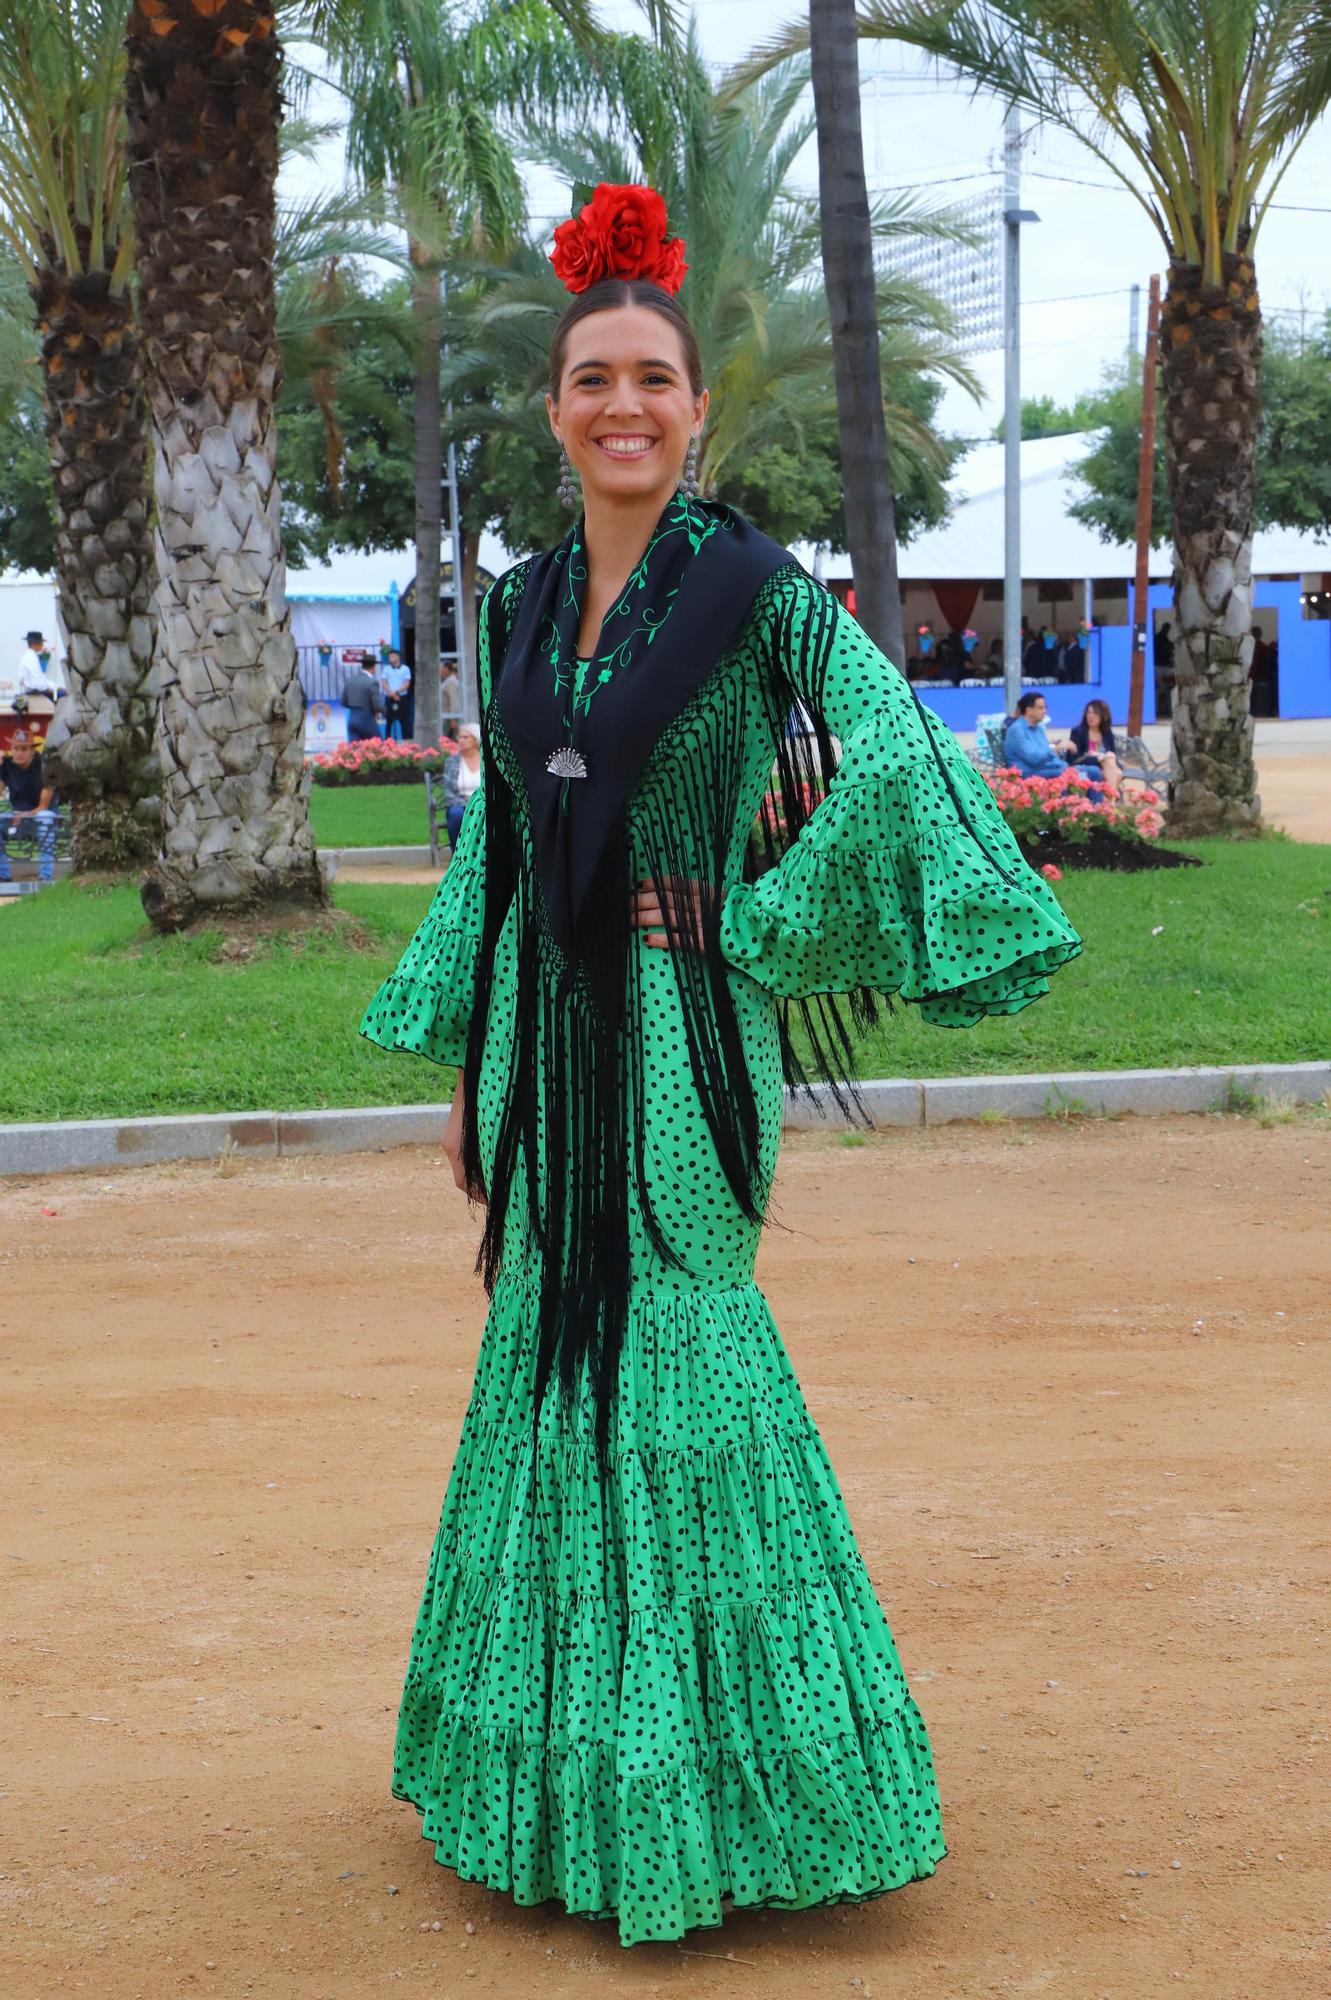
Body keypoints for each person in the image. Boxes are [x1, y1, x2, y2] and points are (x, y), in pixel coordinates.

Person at [358, 181, 1082, 1948]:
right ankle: (561, 1776)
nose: (622, 406)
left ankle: (740, 1775)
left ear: (695, 411)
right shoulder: (525, 605)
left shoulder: (758, 598)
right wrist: (469, 1056)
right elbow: (502, 848)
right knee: (548, 1356)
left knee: (683, 1357)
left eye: (652, 382)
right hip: (544, 1046)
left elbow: (906, 762)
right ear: (554, 410)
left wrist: (764, 923)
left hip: (689, 1047)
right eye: (592, 379)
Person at [1002, 691, 1105, 800]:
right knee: (1062, 775)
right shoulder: (1017, 730)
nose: (1045, 711)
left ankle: (1095, 811)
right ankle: (1066, 812)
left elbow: (1048, 755)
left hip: (1048, 769)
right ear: (1029, 710)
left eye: (1045, 707)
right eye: (1041, 708)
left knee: (1094, 771)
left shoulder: (1039, 729)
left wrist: (1065, 766)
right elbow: (1033, 759)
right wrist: (1056, 748)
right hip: (1029, 774)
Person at [0, 726, 57, 884]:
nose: (19, 753)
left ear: (32, 750)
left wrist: (24, 815)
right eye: (16, 748)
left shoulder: (45, 766)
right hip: (17, 817)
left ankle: (45, 876)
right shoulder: (7, 766)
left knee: (44, 817)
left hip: (41, 816)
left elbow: (44, 806)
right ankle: (3, 875)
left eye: (24, 749)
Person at [1066, 699, 1122, 796]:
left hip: (1106, 766)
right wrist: (1096, 757)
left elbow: (1113, 754)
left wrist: (1101, 756)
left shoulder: (1106, 732)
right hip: (1085, 766)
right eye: (1088, 713)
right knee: (1115, 772)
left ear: (1103, 716)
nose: (1091, 716)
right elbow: (1074, 758)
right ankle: (1110, 802)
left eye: (1095, 713)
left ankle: (1107, 803)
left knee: (1116, 770)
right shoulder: (1078, 731)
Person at [441, 721, 482, 848]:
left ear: (475, 740)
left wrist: (478, 802)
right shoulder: (452, 762)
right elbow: (448, 792)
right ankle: (457, 854)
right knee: (455, 814)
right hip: (460, 804)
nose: (461, 740)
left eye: (466, 737)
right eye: (460, 737)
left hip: (483, 802)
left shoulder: (487, 761)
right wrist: (468, 803)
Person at [340, 657, 384, 741]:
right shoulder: (372, 682)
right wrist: (387, 711)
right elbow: (377, 705)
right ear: (373, 667)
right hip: (367, 719)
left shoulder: (350, 680)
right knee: (377, 747)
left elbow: (343, 702)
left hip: (352, 718)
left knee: (355, 750)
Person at [379, 648, 412, 741]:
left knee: (404, 721)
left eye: (392, 656)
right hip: (390, 697)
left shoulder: (405, 669)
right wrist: (392, 693)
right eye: (389, 657)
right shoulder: (386, 669)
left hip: (402, 697)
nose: (390, 658)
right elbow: (384, 683)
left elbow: (407, 684)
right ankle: (387, 743)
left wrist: (397, 692)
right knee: (388, 721)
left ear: (398, 657)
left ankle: (407, 742)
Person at [439, 660, 463, 737]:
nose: (439, 670)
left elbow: (454, 700)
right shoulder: (448, 681)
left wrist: (453, 717)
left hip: (448, 716)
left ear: (446, 669)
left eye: (440, 668)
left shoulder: (451, 682)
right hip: (446, 715)